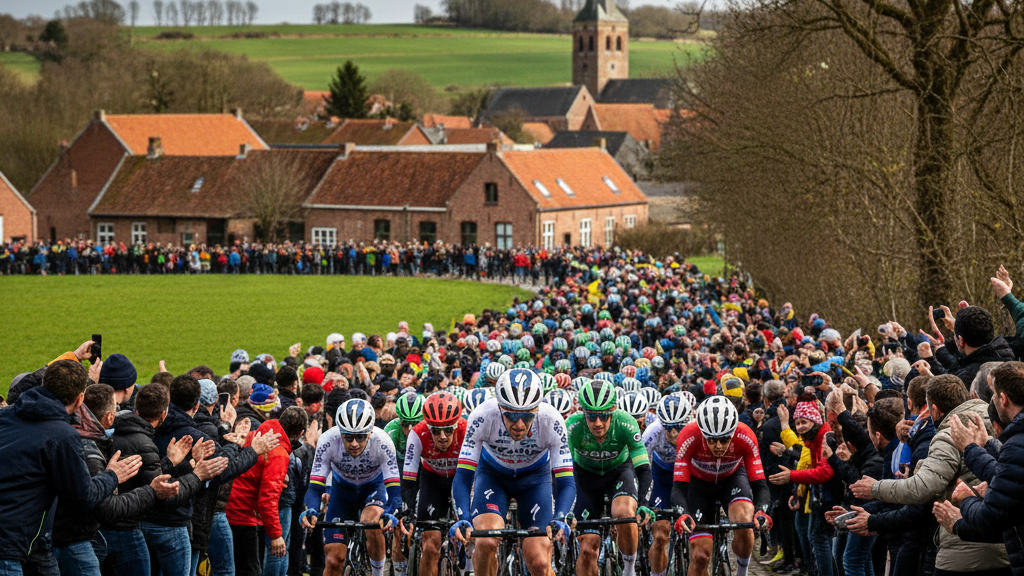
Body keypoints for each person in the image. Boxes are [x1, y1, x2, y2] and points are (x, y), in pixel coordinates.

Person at [849, 375, 1010, 576]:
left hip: (964, 549)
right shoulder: (996, 419)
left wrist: (874, 488)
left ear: (934, 409)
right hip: (1005, 544)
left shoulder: (950, 433)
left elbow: (921, 488)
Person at [0, 359, 141, 576]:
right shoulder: (62, 436)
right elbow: (84, 495)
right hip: (10, 546)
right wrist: (113, 475)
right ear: (80, 399)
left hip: (29, 543)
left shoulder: (8, 415)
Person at [448, 369, 576, 576]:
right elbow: (463, 476)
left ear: (536, 410)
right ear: (499, 408)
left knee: (540, 563)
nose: (519, 424)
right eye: (511, 416)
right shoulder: (482, 416)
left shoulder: (551, 420)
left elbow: (566, 480)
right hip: (493, 477)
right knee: (487, 540)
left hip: (534, 480)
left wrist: (561, 516)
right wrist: (462, 517)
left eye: (527, 417)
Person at [935, 361, 1024, 576]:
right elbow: (1013, 480)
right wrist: (986, 445)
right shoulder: (1016, 443)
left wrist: (966, 499)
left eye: (992, 394)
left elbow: (991, 516)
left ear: (1003, 399)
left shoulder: (1016, 443)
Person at [299, 399, 402, 576]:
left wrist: (391, 511)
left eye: (360, 436)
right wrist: (311, 510)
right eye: (348, 436)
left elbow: (394, 489)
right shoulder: (328, 440)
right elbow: (316, 486)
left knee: (371, 522)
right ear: (340, 433)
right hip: (342, 493)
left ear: (370, 433)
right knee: (333, 560)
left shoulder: (383, 441)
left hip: (373, 488)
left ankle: (378, 573)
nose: (354, 443)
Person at [671, 396, 772, 576]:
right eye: (711, 440)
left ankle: (742, 572)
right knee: (701, 556)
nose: (718, 446)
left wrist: (761, 510)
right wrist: (682, 513)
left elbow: (760, 485)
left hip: (732, 478)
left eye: (725, 440)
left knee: (744, 524)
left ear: (733, 432)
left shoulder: (745, 435)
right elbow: (679, 487)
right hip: (699, 485)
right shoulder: (688, 435)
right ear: (702, 433)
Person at [567, 381, 654, 576]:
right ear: (583, 412)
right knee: (588, 549)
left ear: (613, 410)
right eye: (591, 416)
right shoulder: (573, 427)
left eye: (604, 415)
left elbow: (643, 468)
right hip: (585, 477)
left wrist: (644, 503)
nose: (598, 422)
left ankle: (629, 570)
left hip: (618, 473)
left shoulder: (626, 423)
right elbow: (560, 471)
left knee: (623, 512)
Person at [226, 406, 309, 576]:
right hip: (244, 514)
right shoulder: (279, 453)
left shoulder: (261, 433)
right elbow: (267, 498)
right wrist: (276, 535)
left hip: (232, 506)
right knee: (250, 570)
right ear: (300, 433)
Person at [398, 392, 467, 576]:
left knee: (471, 536)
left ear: (456, 425)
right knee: (430, 545)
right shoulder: (417, 434)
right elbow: (409, 479)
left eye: (448, 429)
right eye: (435, 430)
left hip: (461, 480)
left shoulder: (467, 430)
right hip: (432, 482)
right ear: (428, 427)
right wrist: (408, 512)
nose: (442, 436)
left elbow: (478, 474)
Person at [642, 394, 692, 576]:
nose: (673, 433)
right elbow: (641, 467)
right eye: (668, 427)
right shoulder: (652, 431)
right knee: (661, 535)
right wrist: (643, 500)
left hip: (688, 473)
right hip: (660, 474)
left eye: (678, 427)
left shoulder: (696, 430)